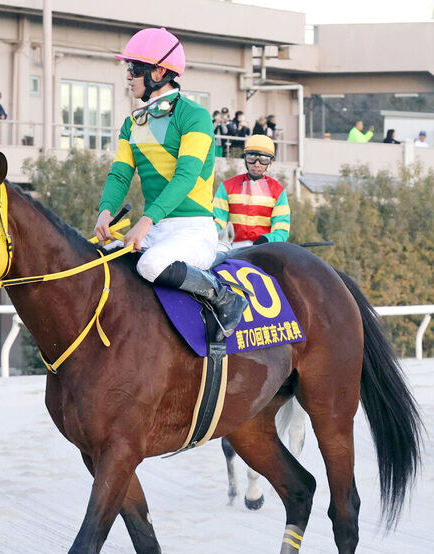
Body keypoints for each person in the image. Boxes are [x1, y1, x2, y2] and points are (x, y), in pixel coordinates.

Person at [94, 27, 246, 338]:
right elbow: (121, 174)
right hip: (157, 232)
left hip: (193, 231)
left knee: (150, 266)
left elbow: (186, 176)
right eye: (129, 68)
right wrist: (105, 211)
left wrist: (147, 220)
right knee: (100, 259)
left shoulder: (194, 116)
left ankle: (224, 297)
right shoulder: (132, 123)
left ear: (160, 71)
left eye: (135, 69)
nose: (128, 76)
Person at [213, 135, 290, 248]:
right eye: (252, 157)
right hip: (232, 248)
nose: (257, 164)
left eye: (263, 159)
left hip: (264, 249)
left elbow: (282, 229)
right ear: (245, 159)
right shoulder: (226, 186)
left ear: (270, 163)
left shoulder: (279, 191)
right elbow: (218, 222)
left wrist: (266, 239)